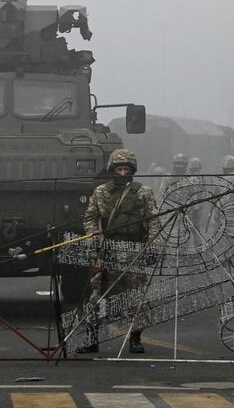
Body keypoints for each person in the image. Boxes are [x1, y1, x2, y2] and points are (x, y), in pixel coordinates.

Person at [79, 149, 160, 354]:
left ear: (132, 170)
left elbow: (154, 221)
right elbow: (90, 217)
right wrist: (93, 234)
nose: (122, 173)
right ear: (112, 170)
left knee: (134, 297)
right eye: (119, 169)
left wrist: (154, 246)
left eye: (126, 169)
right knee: (96, 295)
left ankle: (135, 339)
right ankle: (92, 339)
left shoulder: (143, 193)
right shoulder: (100, 192)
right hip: (106, 250)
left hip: (134, 250)